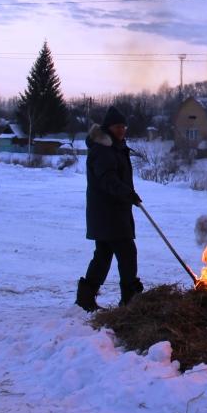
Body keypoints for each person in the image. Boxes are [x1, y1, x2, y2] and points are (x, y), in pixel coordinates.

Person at [75, 106, 144, 312]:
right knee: (127, 253)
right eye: (117, 126)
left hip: (110, 212)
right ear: (108, 127)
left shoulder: (115, 147)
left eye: (124, 126)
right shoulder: (103, 150)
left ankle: (85, 299)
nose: (122, 129)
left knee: (103, 255)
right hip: (109, 213)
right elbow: (107, 180)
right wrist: (127, 193)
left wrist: (127, 194)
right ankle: (129, 300)